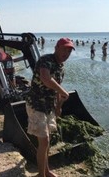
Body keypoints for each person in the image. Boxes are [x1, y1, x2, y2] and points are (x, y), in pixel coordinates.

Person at [25, 38, 75, 177]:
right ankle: (41, 174)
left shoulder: (61, 68)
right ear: (56, 48)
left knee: (47, 142)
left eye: (69, 50)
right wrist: (63, 91)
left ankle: (46, 170)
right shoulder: (45, 60)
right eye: (64, 49)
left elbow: (56, 90)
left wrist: (59, 106)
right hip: (36, 104)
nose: (67, 53)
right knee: (44, 140)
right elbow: (46, 79)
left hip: (49, 107)